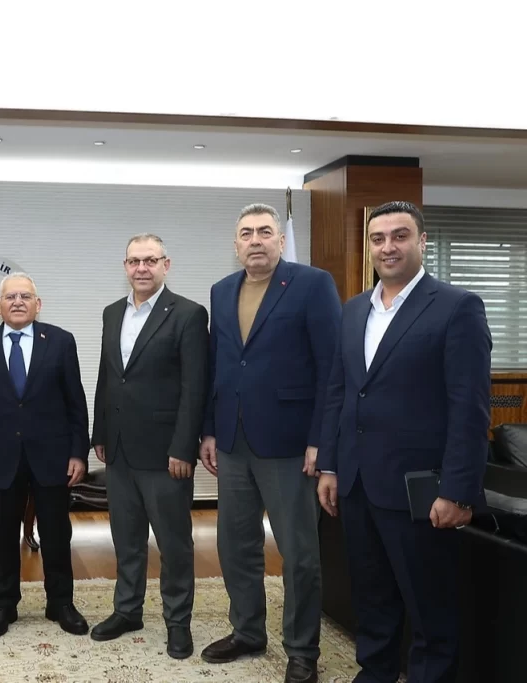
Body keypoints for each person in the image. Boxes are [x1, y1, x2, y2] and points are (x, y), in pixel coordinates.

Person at [317, 201, 492, 683]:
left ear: (422, 241)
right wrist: (330, 465)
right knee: (372, 600)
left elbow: (470, 409)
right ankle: (374, 674)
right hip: (357, 485)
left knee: (430, 609)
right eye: (378, 238)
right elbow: (339, 393)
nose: (388, 247)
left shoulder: (457, 307)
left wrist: (457, 491)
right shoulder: (354, 309)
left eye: (400, 236)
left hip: (421, 492)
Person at [198, 203, 341, 683]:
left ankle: (302, 650)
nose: (255, 240)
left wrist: (321, 439)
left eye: (264, 232)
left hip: (290, 444)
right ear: (235, 244)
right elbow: (219, 365)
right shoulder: (222, 290)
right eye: (246, 233)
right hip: (232, 440)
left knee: (299, 554)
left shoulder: (312, 284)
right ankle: (247, 631)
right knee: (234, 546)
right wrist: (209, 429)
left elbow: (331, 368)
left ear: (280, 240)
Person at [90, 232, 209, 659]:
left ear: (165, 265)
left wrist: (184, 447)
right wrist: (100, 433)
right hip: (120, 450)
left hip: (165, 454)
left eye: (150, 260)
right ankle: (128, 610)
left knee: (174, 544)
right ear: (125, 267)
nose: (141, 268)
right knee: (127, 539)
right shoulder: (111, 313)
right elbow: (108, 376)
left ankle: (178, 622)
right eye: (134, 261)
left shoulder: (188, 314)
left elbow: (195, 387)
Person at [0, 272, 91, 638]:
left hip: (52, 456)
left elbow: (76, 402)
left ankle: (60, 602)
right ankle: (4, 604)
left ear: (38, 304)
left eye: (25, 296)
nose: (18, 302)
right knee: (2, 535)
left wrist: (78, 452)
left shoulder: (61, 341)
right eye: (10, 297)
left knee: (56, 533)